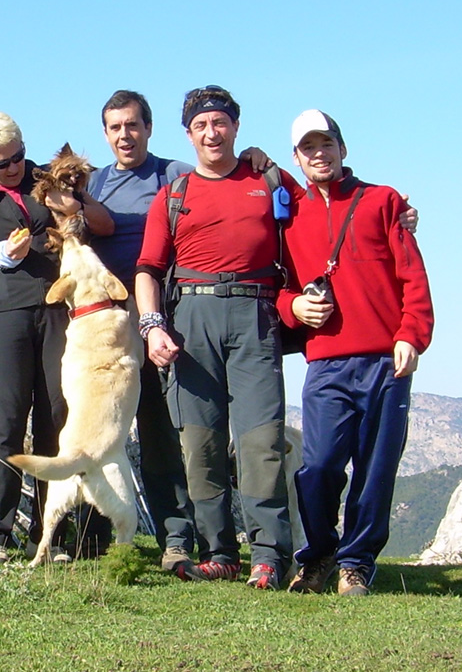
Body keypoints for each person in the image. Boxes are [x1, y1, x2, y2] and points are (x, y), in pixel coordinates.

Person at [89, 90, 275, 579]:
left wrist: (260, 160)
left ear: (149, 128)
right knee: (102, 428)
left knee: (164, 432)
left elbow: (230, 181)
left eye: (133, 125)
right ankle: (94, 535)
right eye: (115, 127)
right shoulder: (94, 183)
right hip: (107, 325)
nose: (125, 135)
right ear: (105, 133)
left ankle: (180, 540)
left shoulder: (174, 176)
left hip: (166, 315)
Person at [134, 85, 301, 589]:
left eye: (220, 122)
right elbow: (147, 269)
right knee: (199, 442)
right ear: (188, 134)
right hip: (191, 319)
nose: (212, 132)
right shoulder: (175, 194)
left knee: (261, 439)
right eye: (201, 125)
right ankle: (220, 551)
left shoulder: (269, 178)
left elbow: (317, 218)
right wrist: (151, 324)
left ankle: (270, 553)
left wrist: (400, 217)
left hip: (255, 313)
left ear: (235, 126)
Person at [279, 110, 433, 596]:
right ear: (297, 159)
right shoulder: (289, 216)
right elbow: (277, 289)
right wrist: (293, 307)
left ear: (343, 149)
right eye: (309, 147)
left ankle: (357, 563)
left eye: (327, 144)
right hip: (325, 363)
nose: (319, 154)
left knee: (375, 467)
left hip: (387, 361)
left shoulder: (382, 202)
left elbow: (413, 276)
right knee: (319, 466)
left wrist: (412, 334)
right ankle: (320, 553)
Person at [0, 109, 114, 563]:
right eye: (1, 162)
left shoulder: (50, 181)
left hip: (60, 310)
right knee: (5, 419)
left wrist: (71, 205)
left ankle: (51, 536)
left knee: (57, 416)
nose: (12, 168)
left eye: (18, 157)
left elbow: (105, 226)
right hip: (6, 312)